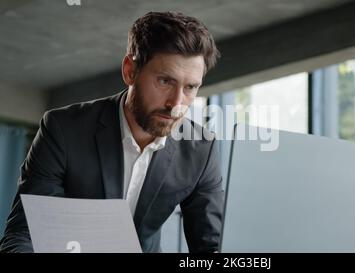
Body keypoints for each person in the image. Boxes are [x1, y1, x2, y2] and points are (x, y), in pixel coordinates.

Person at [0, 11, 223, 253]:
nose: (176, 103)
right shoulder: (63, 129)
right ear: (130, 71)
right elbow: (25, 234)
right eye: (164, 81)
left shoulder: (201, 149)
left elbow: (209, 249)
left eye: (190, 87)